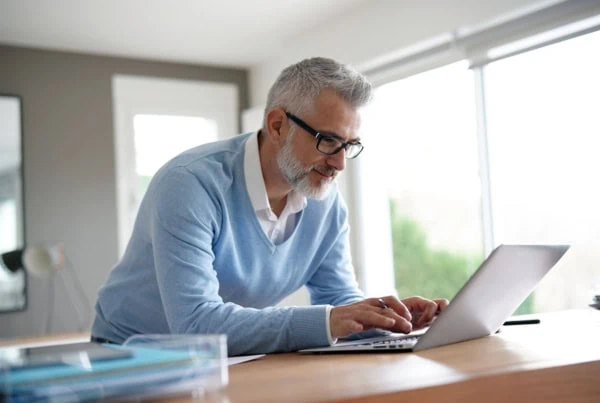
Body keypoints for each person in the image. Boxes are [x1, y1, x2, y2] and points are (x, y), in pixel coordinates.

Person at [92, 57, 448, 356]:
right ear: (277, 125)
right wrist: (328, 321)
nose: (339, 164)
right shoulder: (189, 184)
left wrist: (388, 322)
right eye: (328, 141)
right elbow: (197, 323)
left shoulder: (324, 201)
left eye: (350, 145)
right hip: (130, 354)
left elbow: (338, 297)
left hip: (225, 358)